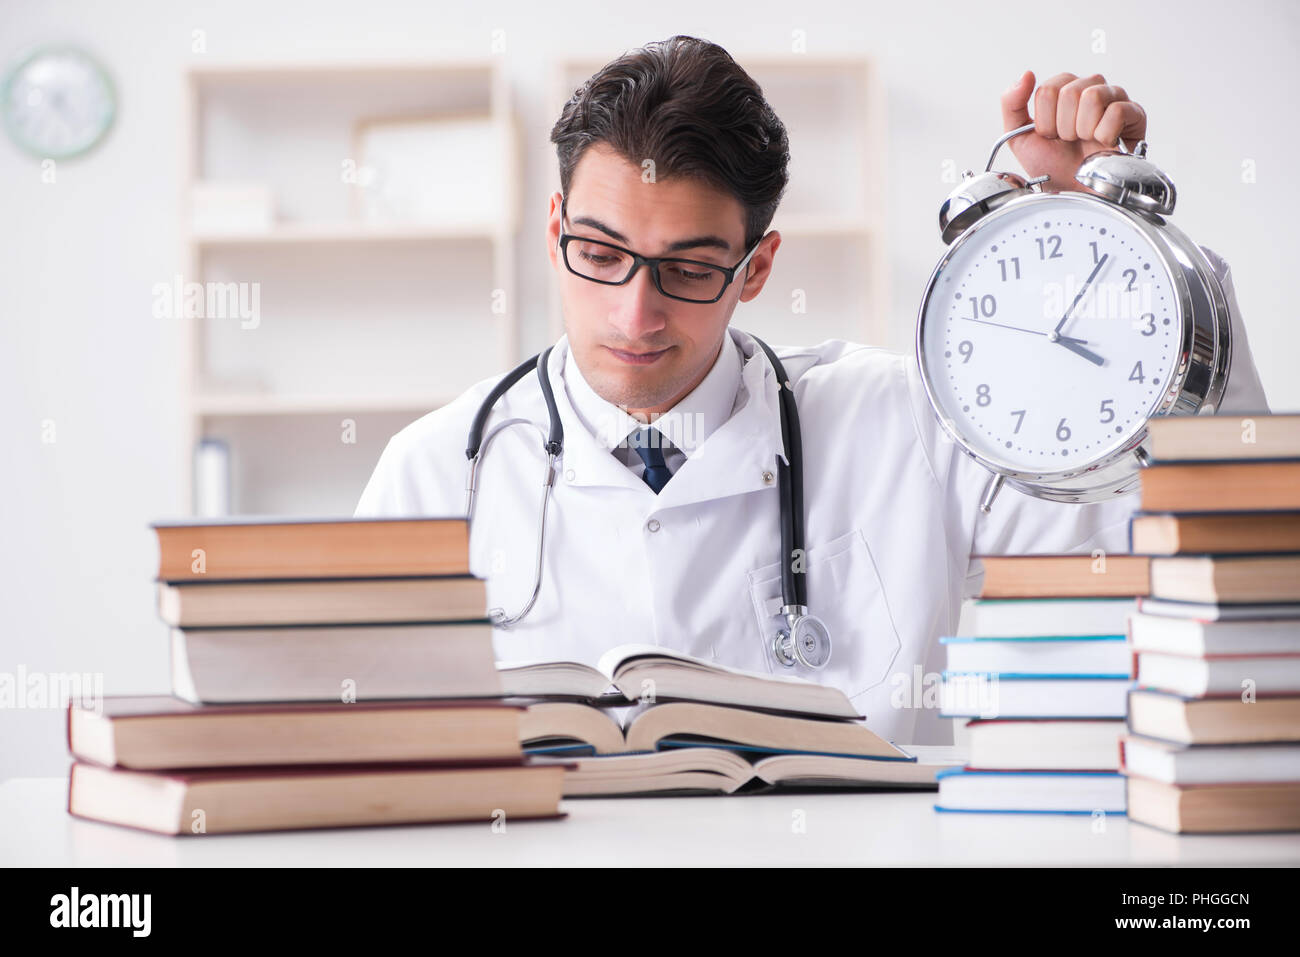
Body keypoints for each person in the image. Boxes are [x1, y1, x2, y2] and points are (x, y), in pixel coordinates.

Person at [355, 36, 1270, 744]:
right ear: (556, 226)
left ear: (757, 270)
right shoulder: (437, 472)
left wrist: (1113, 245)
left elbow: (1209, 552)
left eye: (689, 269)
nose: (634, 315)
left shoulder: (921, 420)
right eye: (599, 256)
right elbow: (363, 767)